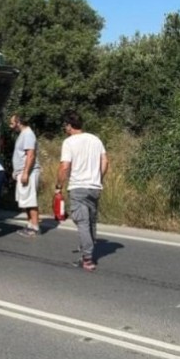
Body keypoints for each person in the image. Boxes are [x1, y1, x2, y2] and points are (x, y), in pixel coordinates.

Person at [55, 112, 109, 272]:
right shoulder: (95, 139)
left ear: (69, 126)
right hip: (94, 186)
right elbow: (105, 160)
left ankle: (87, 259)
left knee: (83, 223)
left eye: (65, 126)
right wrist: (99, 177)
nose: (65, 129)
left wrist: (58, 186)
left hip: (78, 187)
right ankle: (89, 249)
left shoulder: (69, 142)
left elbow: (65, 166)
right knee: (91, 221)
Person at [9, 114, 41, 237]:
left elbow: (30, 155)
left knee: (30, 200)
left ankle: (35, 227)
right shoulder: (23, 134)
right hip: (22, 171)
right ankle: (30, 225)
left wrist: (26, 173)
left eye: (12, 123)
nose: (11, 126)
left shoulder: (28, 134)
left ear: (18, 122)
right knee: (25, 201)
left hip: (29, 172)